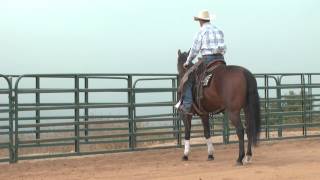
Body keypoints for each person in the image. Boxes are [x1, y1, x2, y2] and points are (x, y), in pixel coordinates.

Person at [179, 10, 227, 114]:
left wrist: (187, 62)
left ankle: (187, 104)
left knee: (187, 78)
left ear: (200, 21)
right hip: (221, 59)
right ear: (209, 19)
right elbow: (224, 47)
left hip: (208, 59)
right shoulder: (219, 30)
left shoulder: (201, 31)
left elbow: (194, 50)